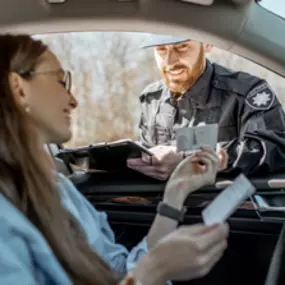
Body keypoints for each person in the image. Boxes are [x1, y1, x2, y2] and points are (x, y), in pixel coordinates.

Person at [0, 34, 229, 285]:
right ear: (19, 88)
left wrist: (176, 191)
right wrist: (152, 273)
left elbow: (118, 271)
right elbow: (134, 276)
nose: (73, 101)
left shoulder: (60, 188)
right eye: (60, 81)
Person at [127, 35, 285, 180]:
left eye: (181, 47)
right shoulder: (151, 99)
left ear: (207, 44)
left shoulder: (247, 92)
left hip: (227, 205)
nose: (170, 61)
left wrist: (189, 159)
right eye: (161, 49)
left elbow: (275, 149)